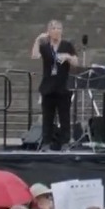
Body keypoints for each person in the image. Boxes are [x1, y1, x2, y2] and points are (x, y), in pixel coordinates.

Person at [30, 21, 77, 150]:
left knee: (64, 116)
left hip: (63, 86)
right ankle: (46, 142)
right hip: (48, 86)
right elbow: (34, 56)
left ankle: (65, 142)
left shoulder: (67, 45)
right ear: (48, 31)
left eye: (58, 28)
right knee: (47, 117)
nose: (56, 31)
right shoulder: (45, 46)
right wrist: (38, 40)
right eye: (53, 28)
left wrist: (67, 57)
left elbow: (76, 62)